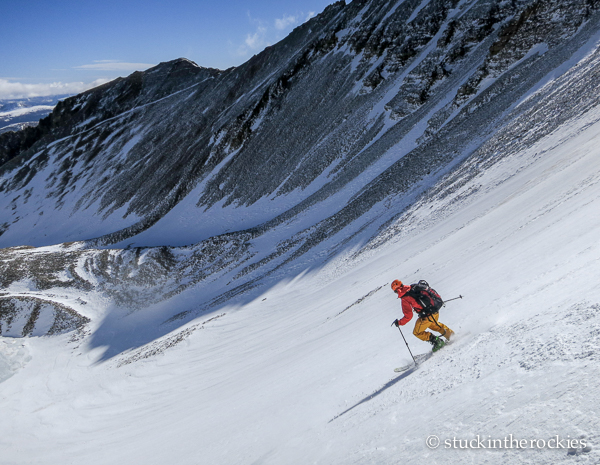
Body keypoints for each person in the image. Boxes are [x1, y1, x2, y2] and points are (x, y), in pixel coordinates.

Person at [391, 279, 454, 352]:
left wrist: (399, 322)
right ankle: (452, 336)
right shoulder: (413, 287)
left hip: (427, 315)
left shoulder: (404, 297)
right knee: (435, 325)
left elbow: (408, 316)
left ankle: (437, 342)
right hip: (434, 310)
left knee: (417, 332)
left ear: (396, 290)